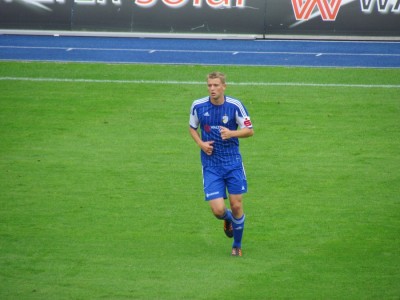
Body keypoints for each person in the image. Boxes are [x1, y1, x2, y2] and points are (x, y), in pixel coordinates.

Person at [189, 71, 254, 257]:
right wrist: (201, 143)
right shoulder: (198, 106)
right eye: (209, 85)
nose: (212, 89)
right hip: (211, 165)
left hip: (232, 163)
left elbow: (249, 130)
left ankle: (237, 245)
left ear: (223, 86)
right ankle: (228, 220)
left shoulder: (235, 106)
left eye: (216, 85)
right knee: (218, 210)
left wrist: (232, 133)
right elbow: (192, 128)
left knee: (236, 205)